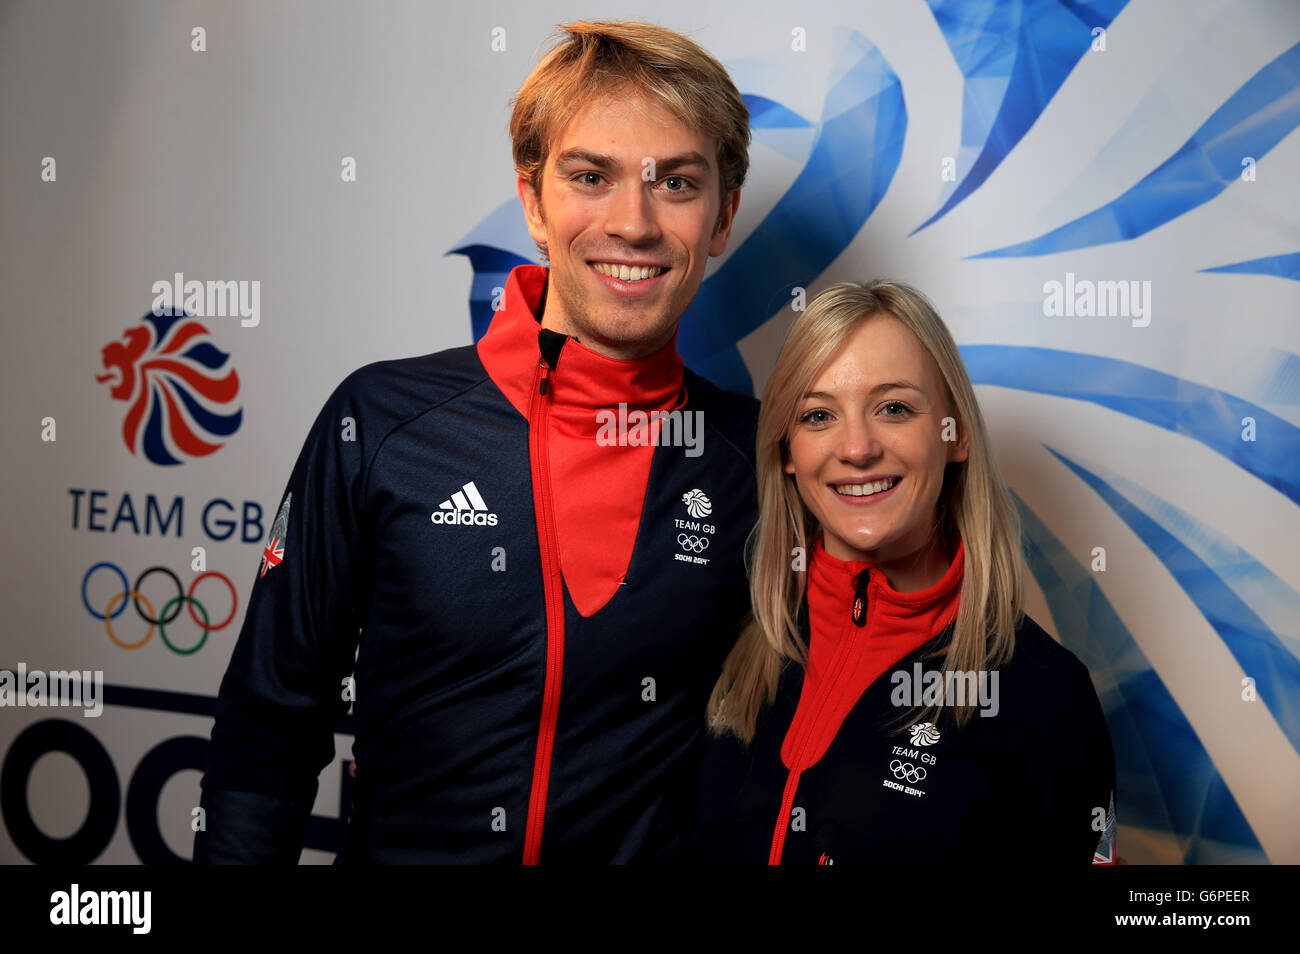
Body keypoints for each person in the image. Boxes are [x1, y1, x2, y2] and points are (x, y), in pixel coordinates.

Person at [195, 21, 759, 864]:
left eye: (675, 182)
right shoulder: (381, 422)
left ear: (722, 217)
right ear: (533, 201)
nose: (633, 223)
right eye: (590, 176)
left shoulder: (757, 457)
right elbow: (267, 731)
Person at [696, 280, 1118, 864]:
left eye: (893, 408)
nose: (858, 448)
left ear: (957, 434)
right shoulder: (723, 630)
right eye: (818, 415)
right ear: (787, 451)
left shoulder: (1045, 694)